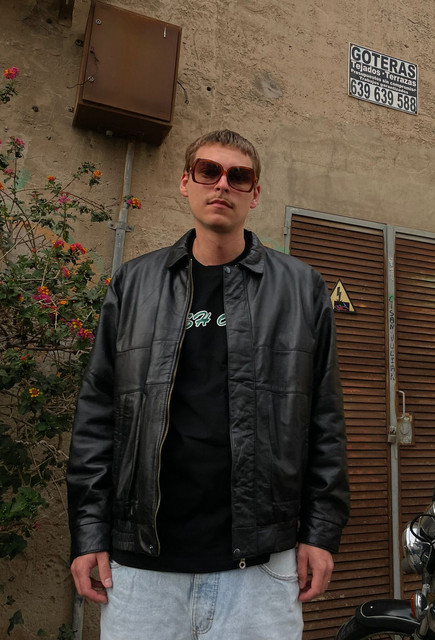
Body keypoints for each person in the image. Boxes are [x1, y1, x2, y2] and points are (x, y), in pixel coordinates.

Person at [67, 129, 349, 640]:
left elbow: (324, 421)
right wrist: (89, 532)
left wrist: (321, 532)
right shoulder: (134, 283)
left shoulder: (301, 288)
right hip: (142, 572)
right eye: (208, 171)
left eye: (238, 176)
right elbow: (97, 415)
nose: (222, 184)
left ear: (254, 194)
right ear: (186, 182)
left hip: (261, 569)